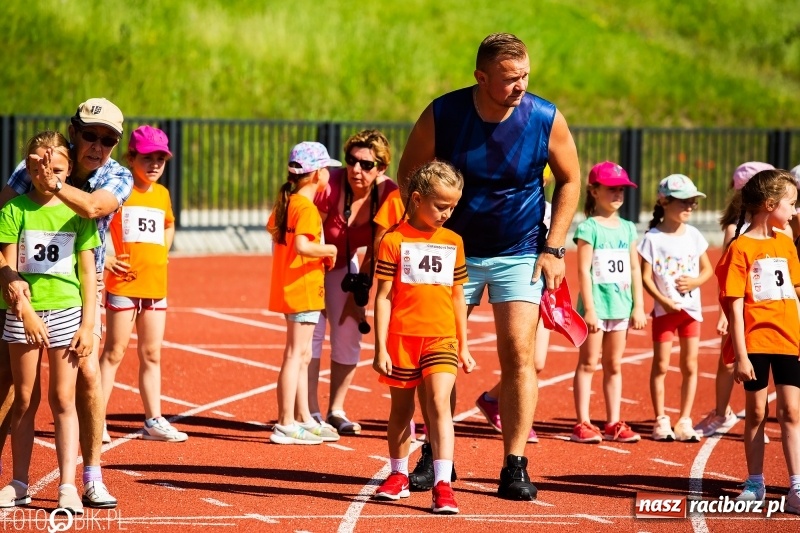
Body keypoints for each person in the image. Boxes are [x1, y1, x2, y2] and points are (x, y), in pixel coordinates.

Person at [397, 32, 582, 500]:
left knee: (519, 354)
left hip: (518, 249)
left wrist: (555, 247)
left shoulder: (545, 117)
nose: (519, 85)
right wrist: (423, 233)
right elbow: (407, 176)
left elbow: (570, 180)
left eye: (524, 76)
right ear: (481, 77)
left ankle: (514, 464)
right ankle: (438, 459)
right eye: (508, 79)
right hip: (448, 252)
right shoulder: (443, 113)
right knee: (437, 355)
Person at [0, 98, 130, 508]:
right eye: (90, 135)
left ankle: (88, 477)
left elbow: (93, 209)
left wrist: (54, 183)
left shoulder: (117, 175)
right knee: (13, 389)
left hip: (80, 284)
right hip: (21, 287)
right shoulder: (42, 162)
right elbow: (6, 210)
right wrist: (40, 170)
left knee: (85, 377)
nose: (98, 145)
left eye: (108, 140)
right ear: (74, 132)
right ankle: (14, 479)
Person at [372, 161, 475, 514]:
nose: (447, 214)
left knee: (438, 405)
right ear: (417, 200)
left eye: (453, 207)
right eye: (440, 206)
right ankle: (398, 474)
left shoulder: (454, 242)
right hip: (402, 338)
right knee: (401, 411)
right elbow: (383, 296)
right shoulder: (394, 240)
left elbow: (458, 296)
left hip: (441, 337)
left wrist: (465, 343)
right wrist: (380, 346)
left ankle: (442, 484)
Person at [715, 169, 800, 513]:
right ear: (769, 204)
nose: (795, 211)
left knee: (792, 411)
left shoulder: (786, 242)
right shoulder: (740, 248)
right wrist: (741, 354)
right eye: (791, 204)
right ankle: (755, 481)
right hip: (756, 341)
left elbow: (794, 291)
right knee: (756, 412)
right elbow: (734, 305)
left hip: (788, 339)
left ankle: (796, 486)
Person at [98, 126, 187, 443]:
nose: (155, 164)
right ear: (131, 157)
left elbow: (168, 224)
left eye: (161, 159)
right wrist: (106, 259)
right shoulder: (118, 191)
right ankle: (97, 419)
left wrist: (164, 250)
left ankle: (153, 419)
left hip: (155, 287)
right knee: (114, 353)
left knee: (152, 354)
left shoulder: (162, 194)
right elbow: (93, 226)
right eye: (148, 157)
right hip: (123, 285)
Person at [310, 130, 398, 435]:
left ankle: (336, 409)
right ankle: (310, 411)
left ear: (382, 169)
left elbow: (378, 249)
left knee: (348, 329)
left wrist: (358, 295)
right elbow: (308, 236)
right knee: (313, 329)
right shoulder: (328, 185)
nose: (356, 170)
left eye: (366, 164)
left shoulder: (390, 195)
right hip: (310, 258)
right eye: (351, 161)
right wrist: (315, 291)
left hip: (346, 262)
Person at [474, 164, 555, 445]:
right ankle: (433, 431)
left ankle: (495, 401)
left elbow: (554, 251)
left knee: (535, 360)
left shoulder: (546, 209)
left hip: (534, 280)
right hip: (485, 258)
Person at [694, 162, 774, 439]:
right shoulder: (734, 231)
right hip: (740, 306)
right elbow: (727, 278)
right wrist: (724, 314)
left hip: (766, 307)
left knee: (763, 363)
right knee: (729, 362)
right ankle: (721, 413)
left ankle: (757, 419)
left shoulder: (777, 234)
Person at [268, 142, 340, 445]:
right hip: (304, 288)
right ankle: (286, 422)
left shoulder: (289, 202)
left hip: (293, 286)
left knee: (301, 355)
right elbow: (302, 246)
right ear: (316, 175)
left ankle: (302, 417)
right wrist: (330, 249)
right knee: (296, 355)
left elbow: (273, 230)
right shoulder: (306, 207)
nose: (328, 176)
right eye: (325, 170)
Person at [570, 162, 647, 443]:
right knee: (588, 363)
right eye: (611, 189)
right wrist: (589, 309)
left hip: (621, 307)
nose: (617, 194)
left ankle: (614, 421)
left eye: (621, 190)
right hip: (596, 308)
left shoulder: (628, 228)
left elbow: (635, 269)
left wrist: (638, 305)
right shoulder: (589, 228)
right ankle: (582, 422)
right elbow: (583, 271)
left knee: (614, 365)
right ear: (594, 191)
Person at [638, 174, 712, 442]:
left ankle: (684, 419)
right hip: (665, 313)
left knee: (690, 365)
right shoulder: (653, 238)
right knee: (661, 364)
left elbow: (707, 269)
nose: (690, 206)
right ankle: (661, 419)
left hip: (691, 312)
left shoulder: (694, 235)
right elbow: (645, 277)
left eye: (693, 201)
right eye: (684, 201)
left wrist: (695, 281)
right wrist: (664, 301)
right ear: (664, 202)